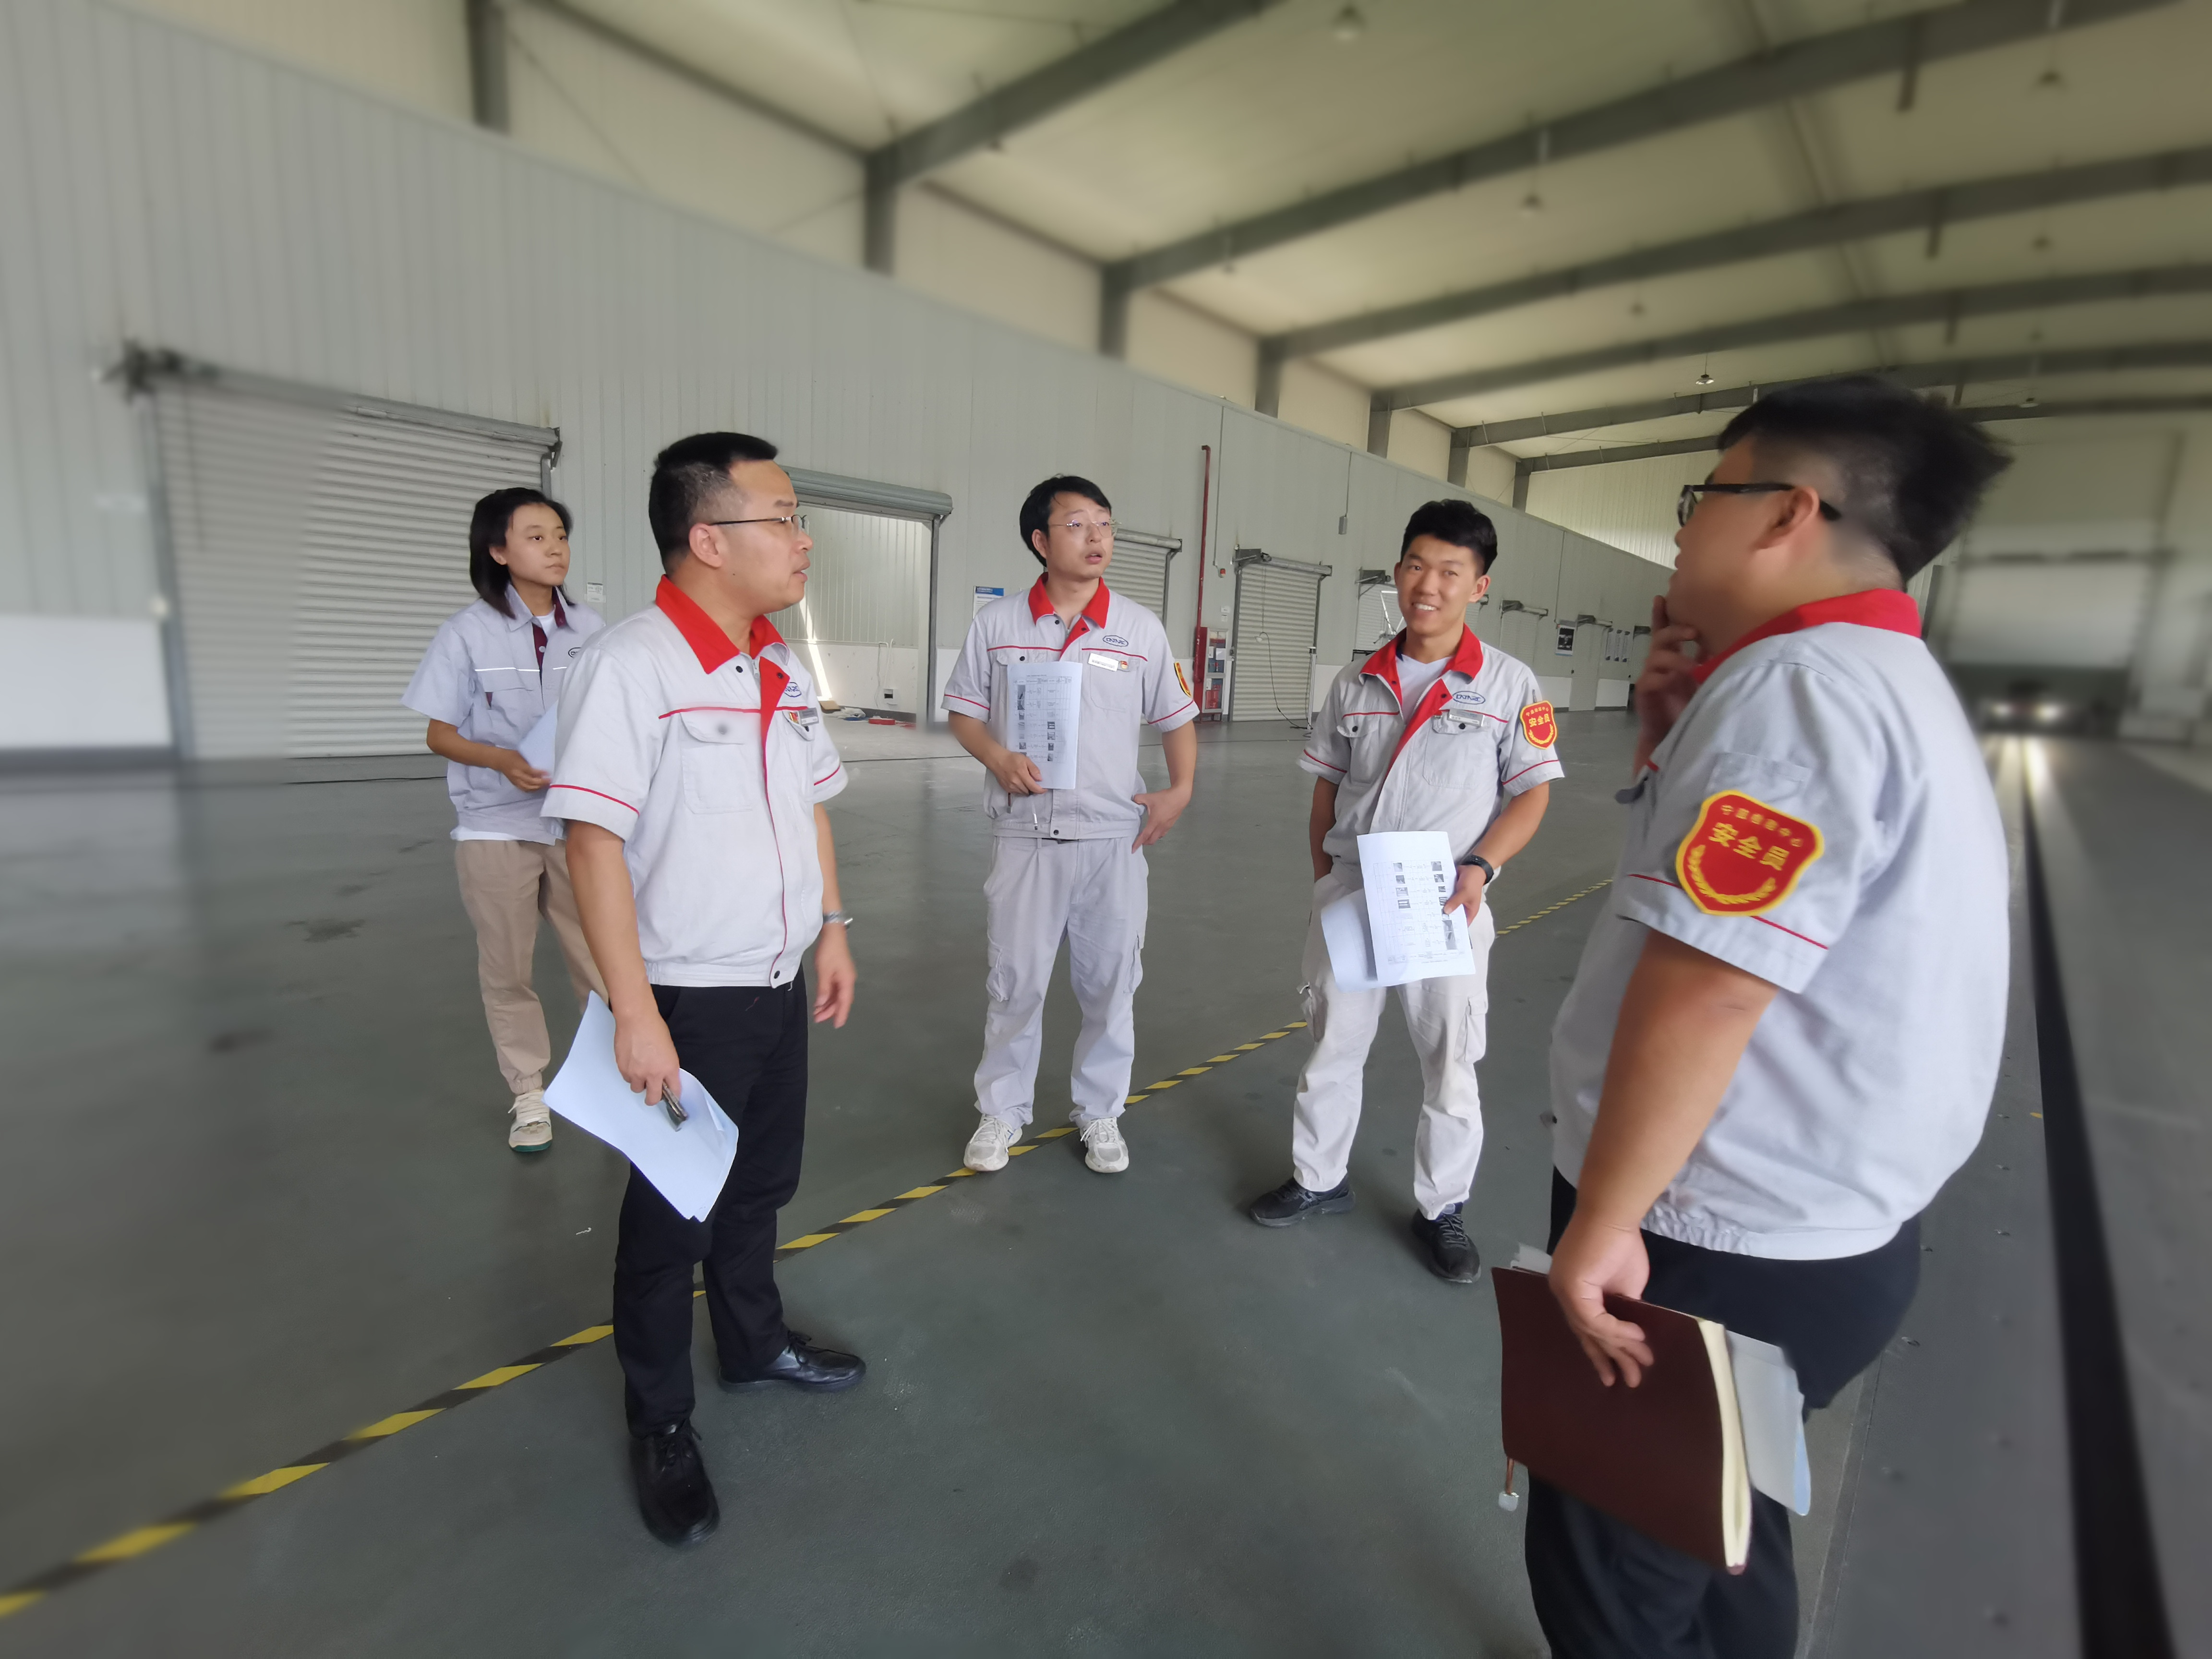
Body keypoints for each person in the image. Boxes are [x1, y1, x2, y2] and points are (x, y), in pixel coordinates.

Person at [1530, 377, 2012, 1657]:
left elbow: (1717, 982)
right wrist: (1669, 736)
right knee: (1730, 1519)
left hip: (1707, 1238)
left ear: (1787, 513)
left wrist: (1606, 1223)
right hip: (1820, 1234)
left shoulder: (1799, 689)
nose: (1685, 528)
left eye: (1704, 497)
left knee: (1614, 1574)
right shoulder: (1882, 677)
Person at [549, 432, 863, 1548]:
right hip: (687, 999)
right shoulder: (631, 667)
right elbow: (592, 845)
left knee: (758, 1186)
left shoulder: (779, 663)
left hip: (777, 981)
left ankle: (752, 1343)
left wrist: (833, 929)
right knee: (670, 1217)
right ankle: (661, 1421)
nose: (803, 539)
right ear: (708, 538)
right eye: (783, 518)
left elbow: (811, 807)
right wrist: (635, 1014)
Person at [1245, 499, 1561, 1282]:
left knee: (1450, 1059)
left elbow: (1532, 795)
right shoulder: (1356, 681)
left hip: (1445, 897)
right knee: (1333, 1043)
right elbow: (1325, 786)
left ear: (1479, 586)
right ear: (1397, 572)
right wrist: (1325, 880)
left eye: (1451, 572)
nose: (1429, 585)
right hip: (1354, 888)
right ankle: (1320, 1179)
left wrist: (1481, 866)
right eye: (1417, 566)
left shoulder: (1508, 684)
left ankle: (1443, 1208)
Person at [942, 475, 1199, 1176]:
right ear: (1040, 540)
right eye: (1078, 525)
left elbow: (1177, 717)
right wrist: (996, 757)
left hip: (1112, 841)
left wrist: (1180, 791)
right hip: (1025, 837)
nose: (1097, 538)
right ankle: (1002, 1111)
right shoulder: (998, 626)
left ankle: (1100, 1111)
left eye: (1105, 525)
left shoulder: (1139, 629)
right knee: (1015, 983)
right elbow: (964, 712)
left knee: (1112, 986)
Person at [402, 487, 607, 1152]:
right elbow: (439, 734)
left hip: (577, 822)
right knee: (508, 969)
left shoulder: (593, 631)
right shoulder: (465, 633)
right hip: (494, 824)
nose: (555, 549)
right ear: (498, 551)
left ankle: (613, 1080)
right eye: (536, 537)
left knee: (601, 960)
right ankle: (529, 1094)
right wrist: (502, 761)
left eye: (561, 536)